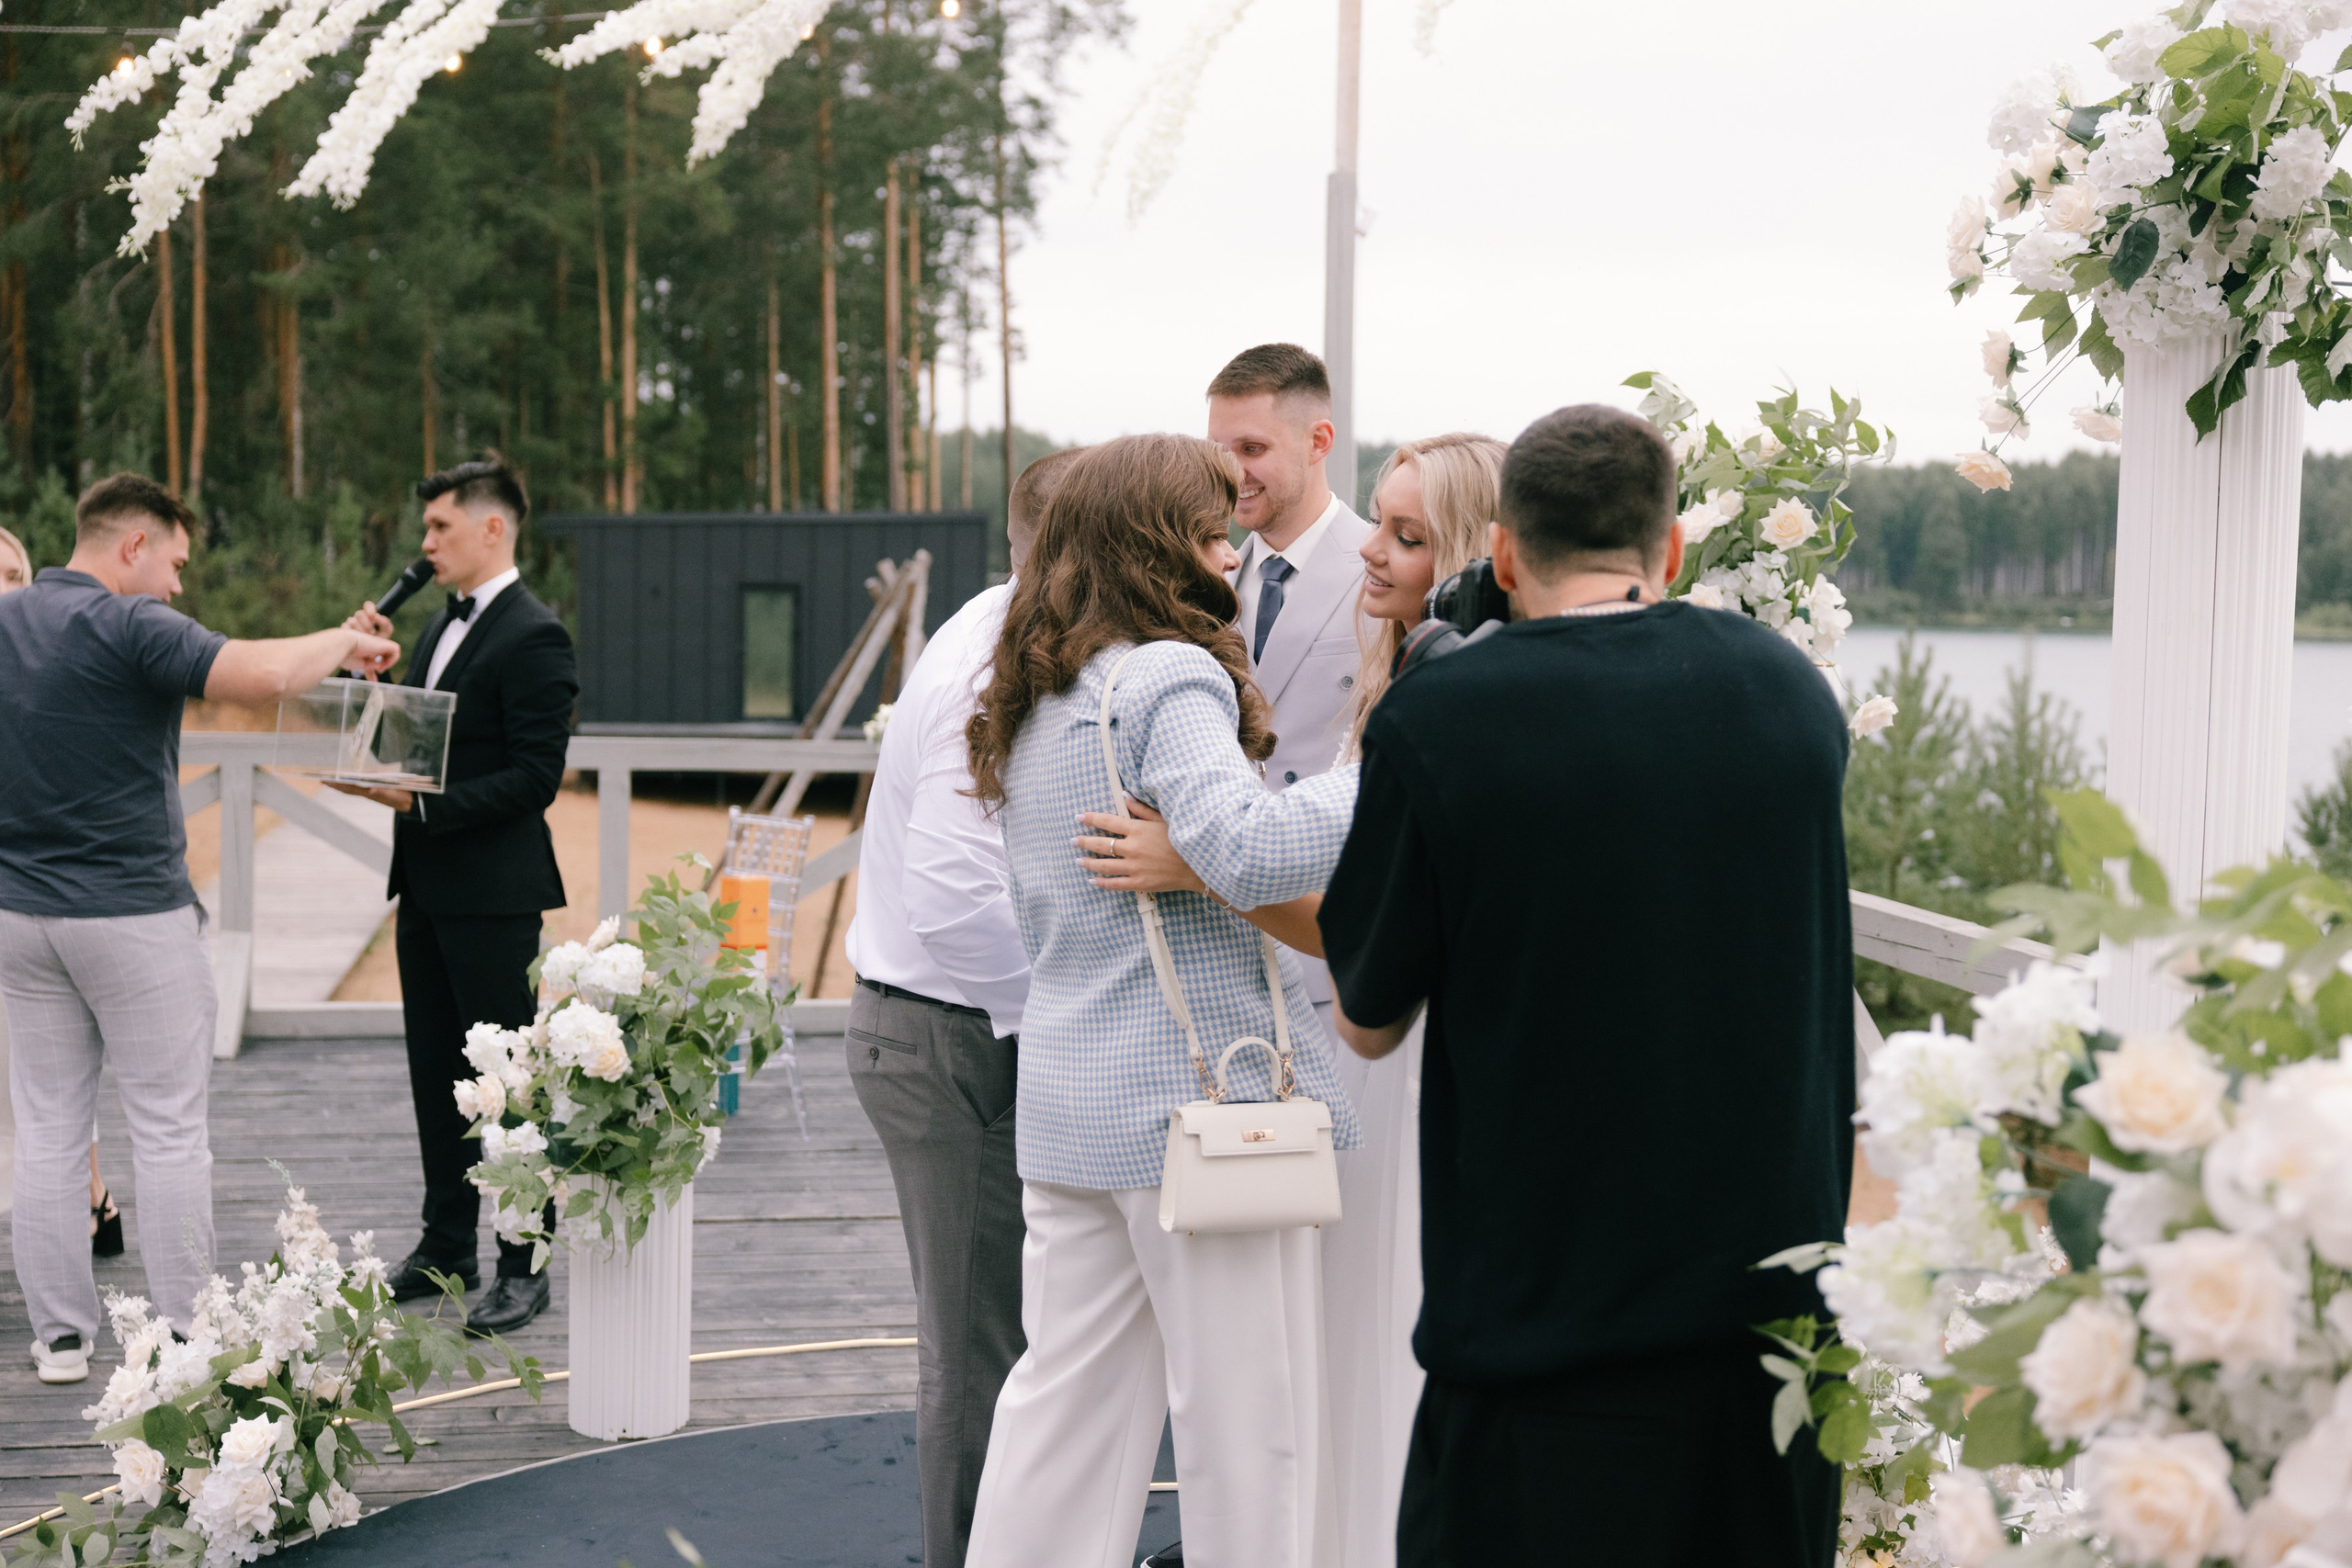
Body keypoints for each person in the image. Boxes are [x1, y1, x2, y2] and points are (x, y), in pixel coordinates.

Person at [1320, 405, 1853, 1567]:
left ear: (1501, 553)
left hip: (1542, 1349)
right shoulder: (1789, 694)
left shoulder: (1447, 716)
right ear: (1667, 552)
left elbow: (1365, 1017)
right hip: (1768, 1353)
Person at [1077, 432, 1507, 1567]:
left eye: (1409, 537)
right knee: (1334, 1341)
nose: (1371, 549)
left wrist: (1199, 865)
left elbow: (1379, 925)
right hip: (1351, 1041)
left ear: (1470, 557)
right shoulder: (1405, 669)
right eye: (1380, 520)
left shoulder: (1449, 690)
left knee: (1374, 1333)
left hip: (1401, 1053)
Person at [960, 434, 1360, 1568]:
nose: (1230, 548)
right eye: (1208, 526)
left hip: (1074, 1109)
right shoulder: (1167, 674)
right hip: (1204, 1112)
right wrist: (1410, 766)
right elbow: (1249, 848)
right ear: (1154, 542)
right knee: (1252, 1435)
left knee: (1062, 1421)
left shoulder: (1042, 689)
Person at [0, 473, 398, 1383]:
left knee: (51, 1130)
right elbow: (258, 677)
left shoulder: (6, 617)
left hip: (20, 918)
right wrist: (345, 639)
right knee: (169, 1127)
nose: (179, 586)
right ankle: (184, 1332)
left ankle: (61, 1340)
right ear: (130, 545)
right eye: (175, 562)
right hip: (132, 915)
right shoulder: (130, 623)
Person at [842, 443, 1086, 1568]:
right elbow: (951, 901)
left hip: (940, 1027)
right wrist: (1067, 1001)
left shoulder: (997, 619)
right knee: (981, 1349)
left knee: (1002, 1336)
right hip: (951, 1039)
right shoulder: (996, 662)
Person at [334, 456, 577, 1337]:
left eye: (440, 527)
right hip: (428, 889)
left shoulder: (535, 633)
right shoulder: (438, 626)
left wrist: (420, 804)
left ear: (492, 529)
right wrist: (367, 683)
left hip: (495, 895)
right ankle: (445, 1244)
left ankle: (525, 1262)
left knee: (506, 1083)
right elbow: (418, 747)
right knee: (436, 1073)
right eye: (426, 528)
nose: (425, 542)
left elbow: (533, 778)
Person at [0, 525, 124, 1257]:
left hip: (38, 889)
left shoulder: (52, 664)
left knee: (44, 1058)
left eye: (12, 572)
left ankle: (90, 1190)